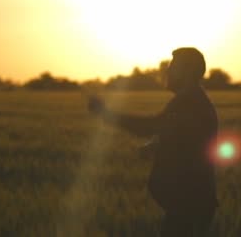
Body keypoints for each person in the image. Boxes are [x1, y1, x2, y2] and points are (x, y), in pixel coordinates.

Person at [87, 47, 219, 236]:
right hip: (189, 203)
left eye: (173, 67)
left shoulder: (188, 101)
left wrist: (106, 114)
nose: (167, 71)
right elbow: (186, 138)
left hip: (189, 205)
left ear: (188, 72)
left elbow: (151, 126)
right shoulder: (191, 100)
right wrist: (159, 146)